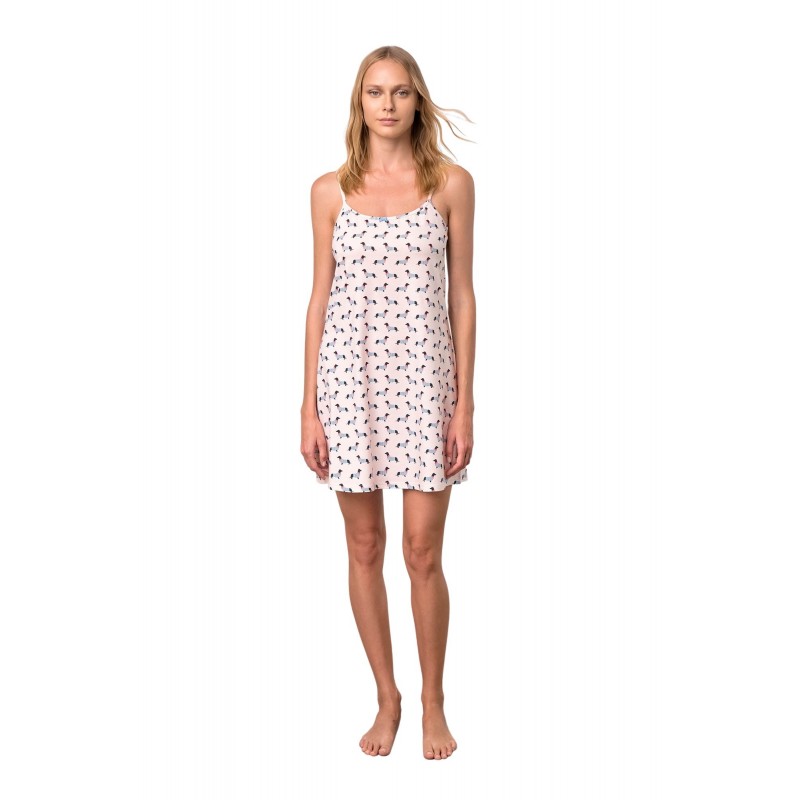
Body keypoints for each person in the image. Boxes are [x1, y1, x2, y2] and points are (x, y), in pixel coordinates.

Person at [300, 45, 476, 760]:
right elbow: (319, 299)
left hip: (427, 385)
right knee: (365, 545)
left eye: (401, 91)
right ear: (360, 103)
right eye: (375, 92)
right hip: (349, 385)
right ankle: (387, 697)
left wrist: (464, 405)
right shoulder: (329, 191)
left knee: (422, 551)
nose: (388, 104)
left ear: (417, 100)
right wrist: (308, 408)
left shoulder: (451, 185)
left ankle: (434, 700)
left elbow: (462, 297)